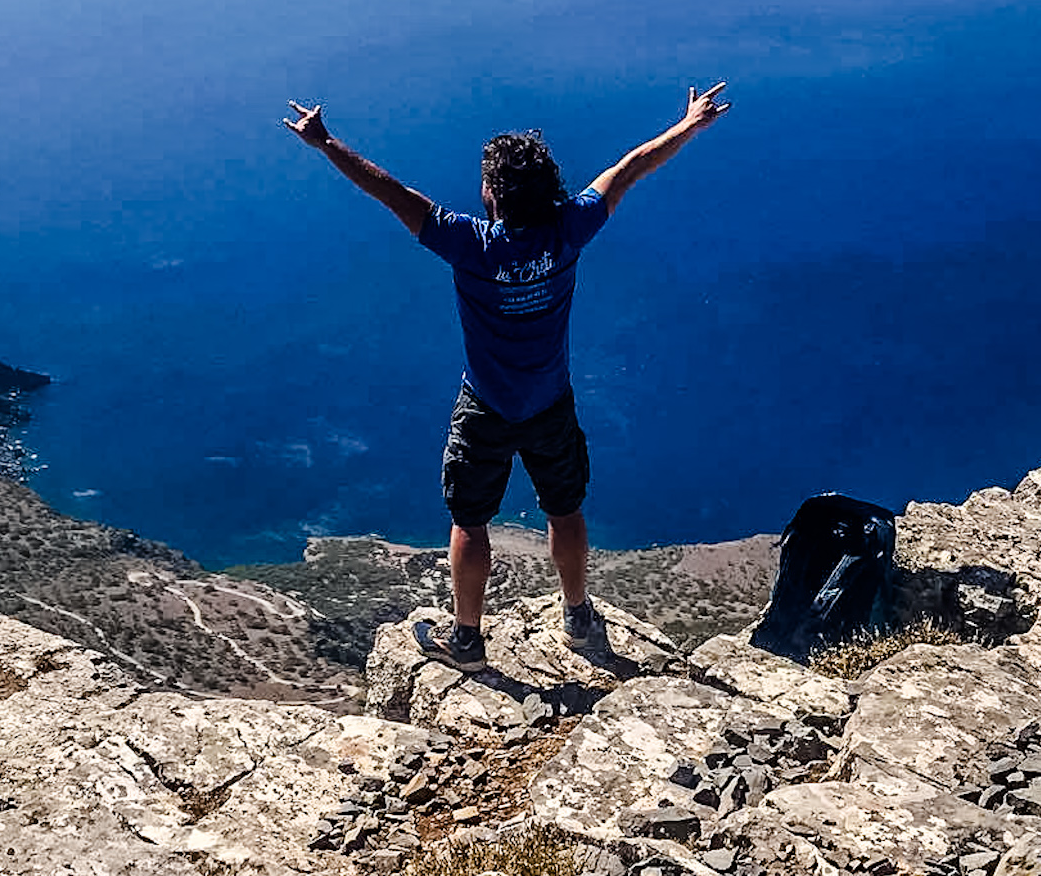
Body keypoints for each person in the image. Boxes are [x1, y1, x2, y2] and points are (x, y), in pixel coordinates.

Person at [283, 83, 730, 665]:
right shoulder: (570, 229)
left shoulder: (469, 243)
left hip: (486, 406)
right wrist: (690, 124)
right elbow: (628, 169)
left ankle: (467, 639)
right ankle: (577, 616)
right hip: (550, 404)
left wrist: (325, 143)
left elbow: (390, 192)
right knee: (564, 510)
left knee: (470, 521)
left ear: (492, 194)